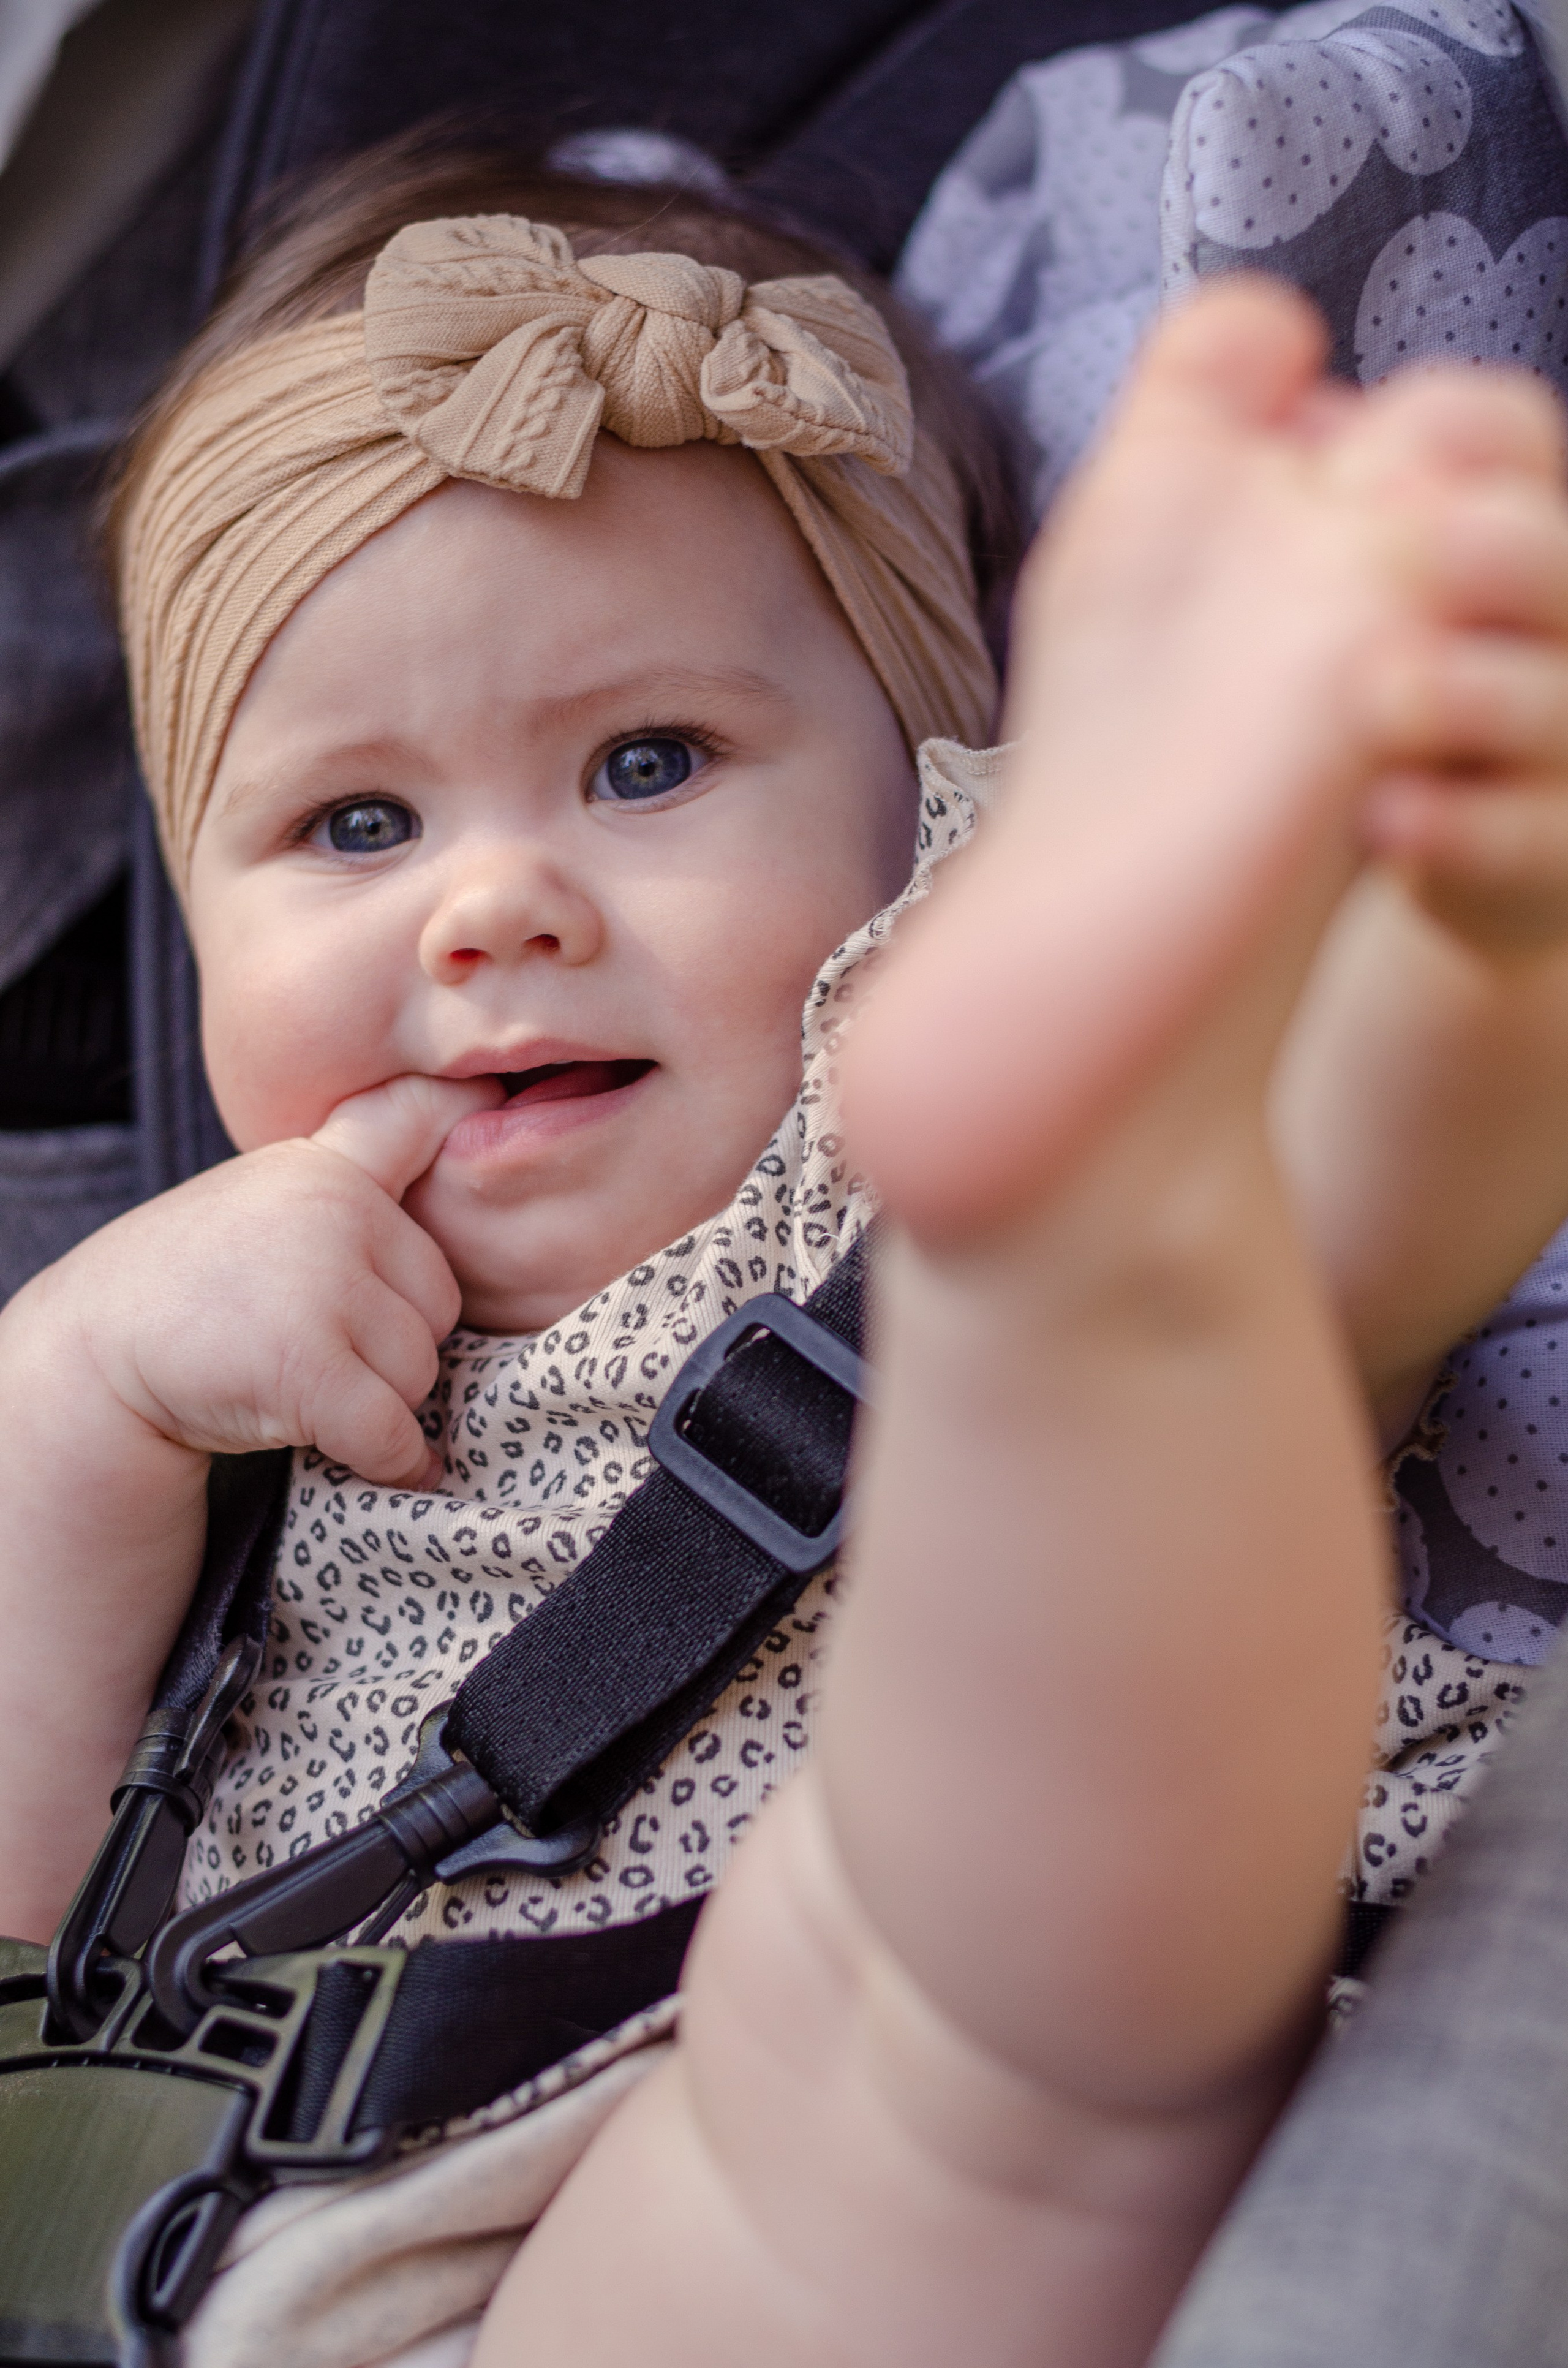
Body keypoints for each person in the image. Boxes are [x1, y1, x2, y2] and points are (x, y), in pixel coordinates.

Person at [2, 146, 1568, 2366]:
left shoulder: (872, 1053)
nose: (491, 908)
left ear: (924, 779)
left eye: (650, 762)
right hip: (277, 2233)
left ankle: (1393, 1029)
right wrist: (67, 1404)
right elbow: (24, 1950)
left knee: (954, 1946)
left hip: (851, 2084)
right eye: (356, 825)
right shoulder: (232, 1327)